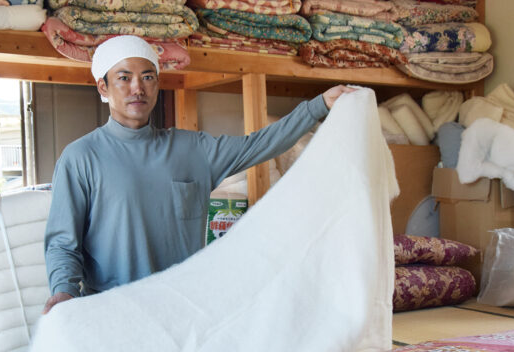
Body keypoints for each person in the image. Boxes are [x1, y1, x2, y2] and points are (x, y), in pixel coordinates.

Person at [43, 35, 354, 314]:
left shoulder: (193, 150)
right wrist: (63, 292)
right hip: (112, 312)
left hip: (182, 310)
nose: (137, 88)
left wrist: (318, 106)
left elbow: (259, 144)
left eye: (147, 77)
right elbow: (63, 243)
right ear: (103, 87)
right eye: (124, 78)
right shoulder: (80, 158)